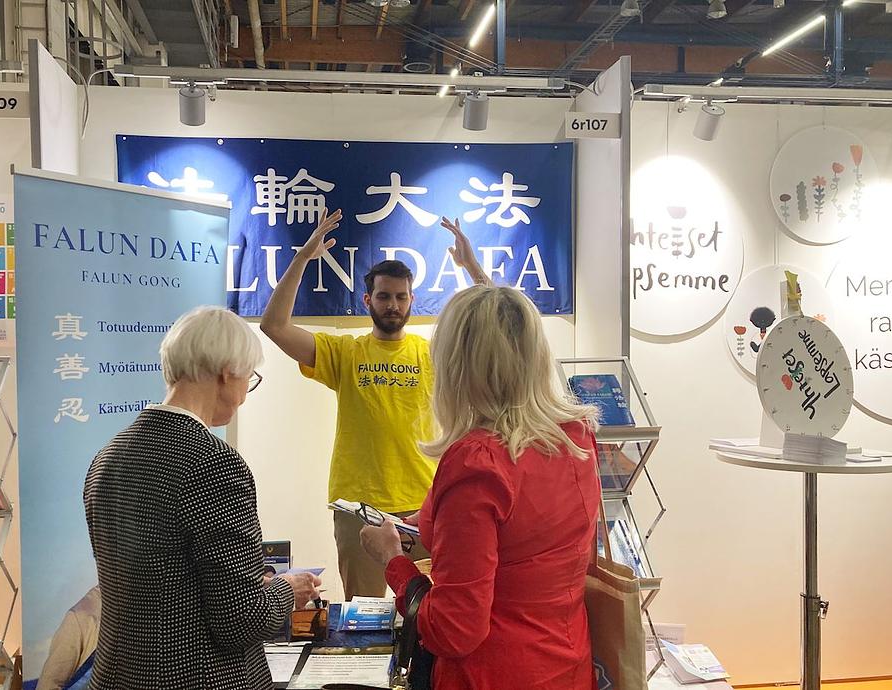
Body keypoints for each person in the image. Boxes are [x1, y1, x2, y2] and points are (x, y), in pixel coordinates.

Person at [360, 285, 601, 690]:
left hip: (492, 673)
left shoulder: (477, 462)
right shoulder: (575, 436)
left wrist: (392, 561)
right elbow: (533, 542)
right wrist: (437, 519)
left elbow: (453, 630)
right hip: (568, 663)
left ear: (456, 365)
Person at [84, 306, 321, 690]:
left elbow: (160, 578)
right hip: (198, 676)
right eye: (249, 378)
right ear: (228, 372)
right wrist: (286, 590)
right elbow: (241, 619)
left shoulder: (108, 455)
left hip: (117, 675)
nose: (244, 395)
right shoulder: (214, 462)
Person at [260, 211, 490, 599]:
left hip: (425, 503)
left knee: (432, 611)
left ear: (412, 300)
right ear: (368, 300)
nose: (393, 305)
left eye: (401, 297)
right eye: (384, 296)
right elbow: (274, 326)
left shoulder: (434, 353)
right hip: (358, 508)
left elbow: (498, 328)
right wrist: (301, 258)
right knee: (363, 618)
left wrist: (473, 268)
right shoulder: (344, 352)